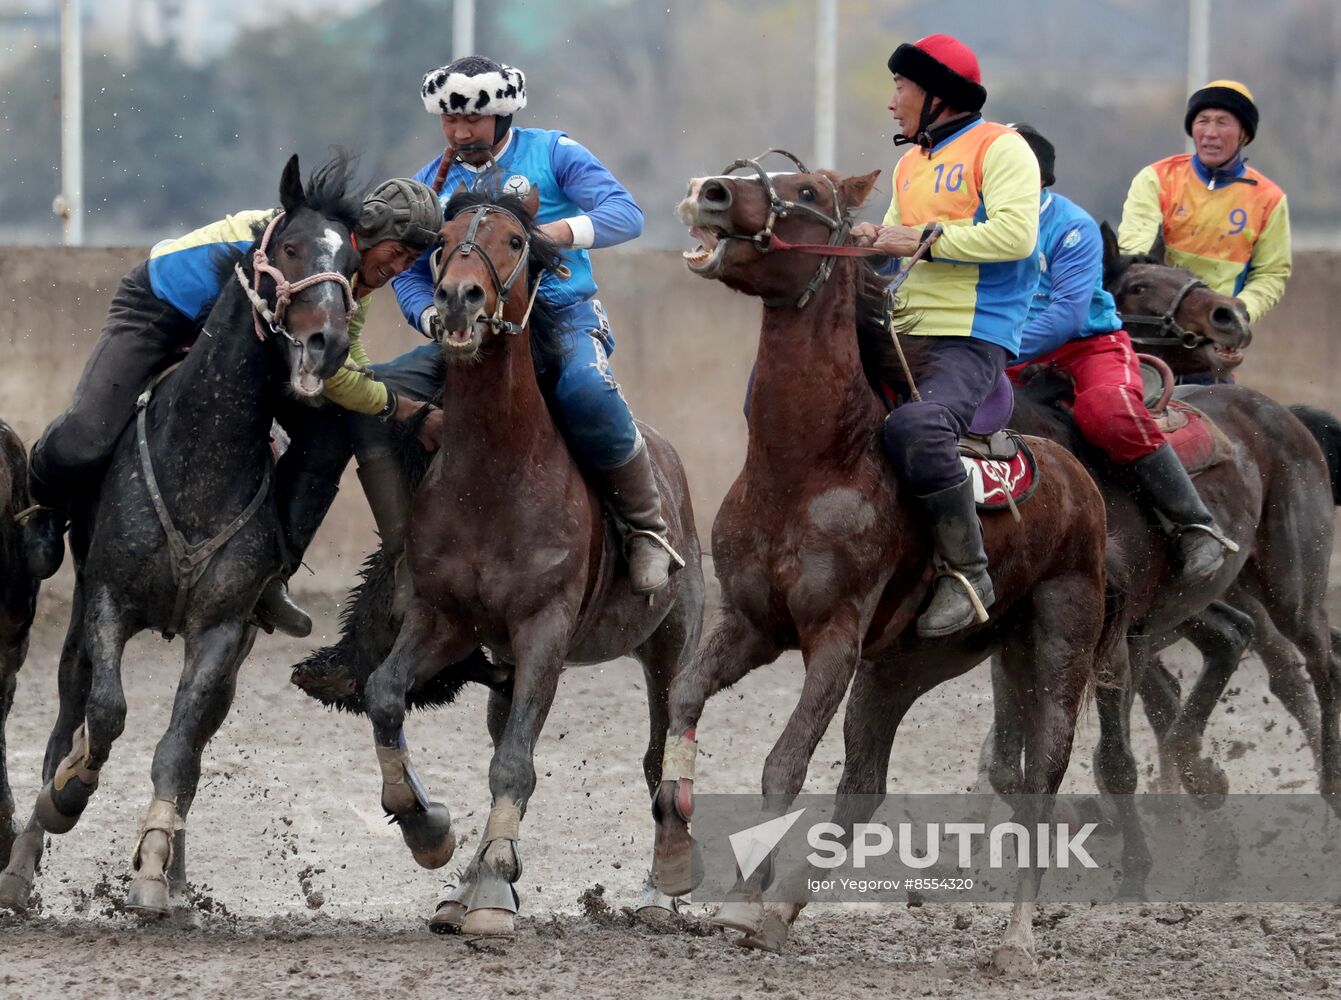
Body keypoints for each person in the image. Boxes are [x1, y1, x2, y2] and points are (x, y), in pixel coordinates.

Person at [21, 177, 442, 637]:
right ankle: (43, 503)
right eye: (399, 254)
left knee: (330, 429)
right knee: (87, 435)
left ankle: (270, 573)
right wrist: (398, 406)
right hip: (161, 308)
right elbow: (339, 377)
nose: (400, 268)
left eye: (412, 262)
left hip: (236, 343)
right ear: (372, 231)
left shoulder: (346, 266)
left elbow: (346, 351)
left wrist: (372, 388)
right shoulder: (309, 247)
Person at [377, 54, 679, 595]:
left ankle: (645, 528)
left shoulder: (554, 152)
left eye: (472, 120)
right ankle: (404, 547)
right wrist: (427, 316)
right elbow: (407, 271)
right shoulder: (429, 185)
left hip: (563, 314)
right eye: (449, 121)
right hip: (472, 330)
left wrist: (553, 234)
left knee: (586, 389)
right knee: (381, 394)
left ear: (503, 116)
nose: (459, 132)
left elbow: (626, 213)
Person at [850, 34, 1040, 638]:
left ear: (937, 95)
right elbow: (888, 249)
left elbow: (1016, 237)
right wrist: (856, 248)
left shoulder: (1002, 148)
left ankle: (969, 571)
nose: (892, 102)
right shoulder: (911, 163)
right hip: (902, 330)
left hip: (971, 337)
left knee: (916, 426)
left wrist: (917, 239)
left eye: (900, 88)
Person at [1009, 123, 1233, 581]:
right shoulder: (972, 222)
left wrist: (996, 349)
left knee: (1106, 410)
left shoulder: (1072, 226)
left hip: (1087, 347)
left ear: (1031, 176)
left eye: (994, 165)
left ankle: (1195, 524)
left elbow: (1067, 315)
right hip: (1010, 351)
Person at [1118, 80, 1290, 325]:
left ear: (1244, 134)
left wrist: (1241, 311)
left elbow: (1271, 274)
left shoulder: (1270, 199)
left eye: (1222, 122)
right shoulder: (1155, 178)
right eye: (1203, 121)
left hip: (1218, 323)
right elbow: (1135, 252)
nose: (1211, 133)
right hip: (1158, 318)